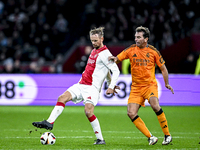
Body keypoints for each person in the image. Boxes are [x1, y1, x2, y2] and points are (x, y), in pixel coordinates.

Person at [32, 27, 120, 145]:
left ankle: (100, 139)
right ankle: (49, 122)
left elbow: (115, 70)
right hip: (81, 84)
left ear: (102, 39)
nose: (93, 43)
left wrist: (111, 86)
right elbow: (106, 71)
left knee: (88, 112)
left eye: (95, 41)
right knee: (62, 98)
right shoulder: (94, 51)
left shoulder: (105, 54)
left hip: (92, 88)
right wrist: (109, 83)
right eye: (92, 40)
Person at [109, 26, 174, 145]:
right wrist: (113, 59)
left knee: (155, 105)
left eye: (139, 37)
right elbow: (118, 59)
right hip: (136, 88)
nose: (136, 39)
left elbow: (163, 69)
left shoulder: (153, 51)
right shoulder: (131, 50)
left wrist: (167, 84)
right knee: (131, 113)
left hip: (150, 86)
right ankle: (151, 137)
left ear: (146, 39)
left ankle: (167, 135)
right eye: (135, 37)